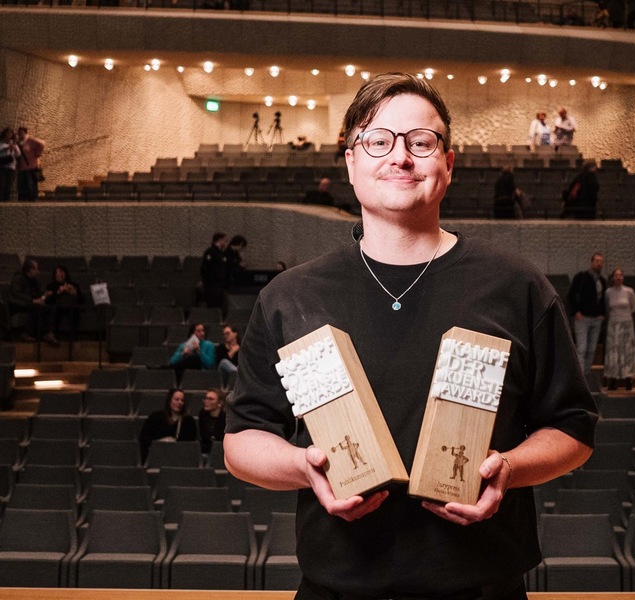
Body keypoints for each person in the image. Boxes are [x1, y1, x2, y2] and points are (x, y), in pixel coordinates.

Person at [223, 72, 596, 600]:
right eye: (378, 141)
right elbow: (241, 443)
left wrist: (509, 468)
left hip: (482, 586)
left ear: (448, 162)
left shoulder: (517, 287)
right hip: (337, 586)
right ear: (351, 161)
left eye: (421, 142)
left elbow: (573, 430)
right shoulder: (291, 295)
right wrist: (304, 469)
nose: (400, 157)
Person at [567, 252, 607, 377]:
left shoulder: (602, 281)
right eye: (597, 261)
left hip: (596, 319)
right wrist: (576, 312)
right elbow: (571, 295)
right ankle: (580, 377)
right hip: (583, 317)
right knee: (582, 348)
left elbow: (604, 299)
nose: (599, 263)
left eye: (601, 261)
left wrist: (602, 314)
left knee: (591, 350)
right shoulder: (581, 277)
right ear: (592, 262)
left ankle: (587, 376)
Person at [8, 258, 59, 346]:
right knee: (36, 307)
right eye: (36, 269)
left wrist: (45, 295)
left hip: (30, 303)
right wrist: (33, 300)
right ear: (30, 269)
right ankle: (28, 333)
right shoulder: (18, 278)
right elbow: (16, 294)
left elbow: (39, 292)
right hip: (19, 304)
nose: (38, 271)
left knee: (49, 308)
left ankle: (48, 333)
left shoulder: (35, 281)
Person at [603, 267, 635, 391]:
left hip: (626, 324)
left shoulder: (629, 291)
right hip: (613, 324)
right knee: (613, 351)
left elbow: (633, 307)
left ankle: (628, 379)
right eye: (616, 275)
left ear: (623, 277)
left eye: (620, 275)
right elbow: (607, 307)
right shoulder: (608, 292)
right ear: (613, 277)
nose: (618, 277)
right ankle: (613, 379)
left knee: (627, 351)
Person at [139, 387, 199, 461]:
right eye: (176, 399)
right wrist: (161, 442)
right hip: (158, 456)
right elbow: (144, 438)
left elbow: (190, 445)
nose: (180, 402)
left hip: (179, 458)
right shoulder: (156, 417)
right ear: (169, 400)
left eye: (182, 400)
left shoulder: (188, 421)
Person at [45, 264, 84, 338]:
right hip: (58, 306)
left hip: (71, 306)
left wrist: (75, 293)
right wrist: (59, 291)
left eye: (61, 272)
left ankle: (73, 336)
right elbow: (48, 301)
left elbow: (82, 300)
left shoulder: (73, 284)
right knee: (53, 310)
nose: (59, 275)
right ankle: (52, 335)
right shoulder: (51, 285)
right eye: (57, 273)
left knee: (75, 310)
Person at [16, 127, 44, 202]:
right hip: (21, 166)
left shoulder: (30, 140)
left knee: (31, 183)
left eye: (21, 132)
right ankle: (23, 199)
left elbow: (41, 144)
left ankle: (32, 198)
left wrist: (38, 154)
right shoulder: (18, 142)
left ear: (25, 133)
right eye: (19, 133)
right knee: (22, 184)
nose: (20, 134)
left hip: (31, 166)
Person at [200, 232, 228, 308]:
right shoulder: (210, 252)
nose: (226, 243)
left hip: (220, 283)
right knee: (212, 304)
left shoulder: (221, 253)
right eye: (225, 241)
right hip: (212, 284)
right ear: (220, 240)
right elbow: (205, 268)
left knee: (219, 304)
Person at [198, 388, 227, 454]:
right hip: (205, 450)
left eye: (210, 399)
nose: (206, 401)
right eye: (206, 398)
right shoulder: (202, 414)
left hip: (221, 451)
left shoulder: (225, 418)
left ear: (220, 403)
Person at [0, 127, 21, 202]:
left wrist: (14, 148)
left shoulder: (14, 145)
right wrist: (7, 147)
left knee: (8, 185)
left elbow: (18, 155)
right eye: (8, 133)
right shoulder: (2, 144)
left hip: (11, 167)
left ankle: (6, 200)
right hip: (2, 166)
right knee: (1, 184)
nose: (9, 134)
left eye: (11, 133)